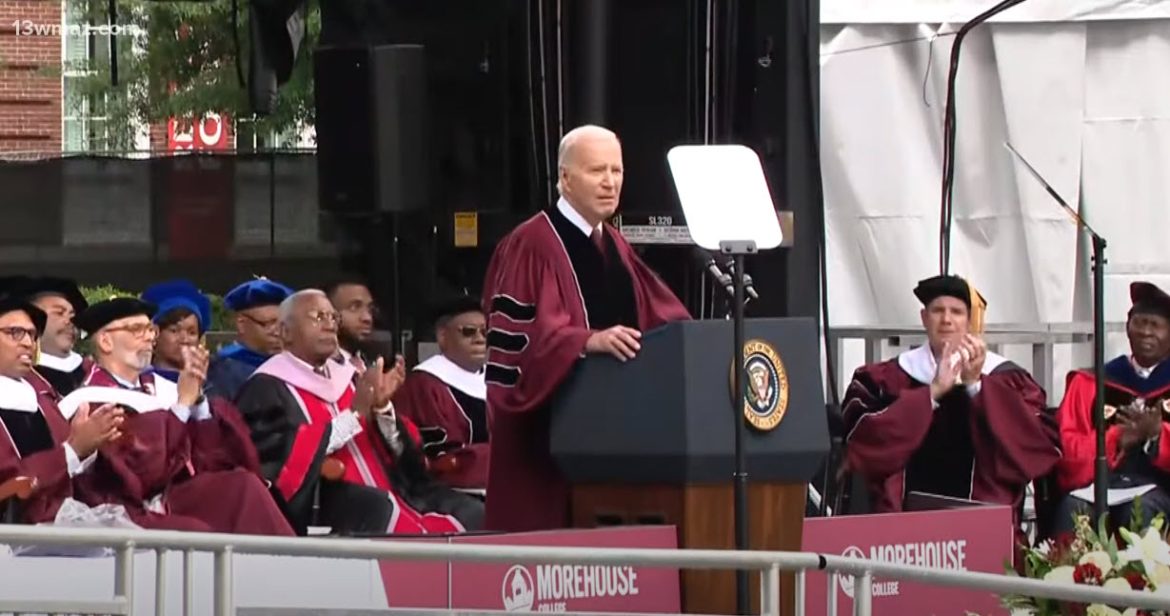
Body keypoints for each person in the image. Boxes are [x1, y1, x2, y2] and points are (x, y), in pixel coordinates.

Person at [480, 124, 691, 531]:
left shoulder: (616, 244)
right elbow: (515, 352)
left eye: (617, 170)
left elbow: (662, 317)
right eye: (597, 171)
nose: (610, 182)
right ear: (564, 178)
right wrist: (584, 341)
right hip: (546, 442)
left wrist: (699, 346)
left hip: (613, 436)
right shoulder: (532, 244)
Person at [235, 290, 483, 535]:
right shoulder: (265, 387)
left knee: (472, 511)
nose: (329, 325)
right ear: (285, 332)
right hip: (326, 501)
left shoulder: (351, 378)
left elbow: (404, 456)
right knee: (383, 508)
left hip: (391, 489)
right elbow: (275, 460)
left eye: (332, 317)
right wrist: (353, 416)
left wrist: (382, 408)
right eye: (317, 317)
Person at [63, 297, 294, 535]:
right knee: (220, 511)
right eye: (136, 330)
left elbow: (213, 461)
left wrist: (198, 402)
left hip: (174, 495)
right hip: (126, 510)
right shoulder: (91, 401)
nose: (149, 337)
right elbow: (139, 473)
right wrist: (182, 404)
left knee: (242, 484)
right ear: (105, 341)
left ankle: (286, 563)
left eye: (151, 329)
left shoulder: (163, 388)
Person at [842, 275, 1060, 526]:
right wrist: (932, 392)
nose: (946, 319)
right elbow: (862, 444)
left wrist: (976, 387)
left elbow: (1036, 451)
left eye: (956, 312)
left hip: (983, 532)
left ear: (970, 321)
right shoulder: (885, 379)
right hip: (901, 535)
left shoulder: (1008, 379)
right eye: (937, 310)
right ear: (924, 318)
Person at [1054, 281, 1170, 531]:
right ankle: (1071, 572)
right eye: (1140, 323)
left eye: (1156, 325)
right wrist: (1116, 439)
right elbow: (1068, 450)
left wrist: (1157, 435)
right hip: (1101, 485)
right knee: (1072, 508)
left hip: (1161, 490)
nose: (1146, 332)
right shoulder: (1090, 383)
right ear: (1128, 328)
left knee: (1139, 509)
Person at [0, 295, 124, 523]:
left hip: (58, 522)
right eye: (16, 332)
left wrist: (92, 443)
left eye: (32, 334)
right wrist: (74, 449)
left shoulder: (42, 398)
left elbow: (71, 463)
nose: (28, 343)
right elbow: (9, 484)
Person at [393, 295, 489, 491]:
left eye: (485, 332)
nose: (479, 339)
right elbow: (443, 458)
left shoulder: (499, 380)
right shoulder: (425, 385)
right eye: (469, 332)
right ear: (443, 336)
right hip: (452, 491)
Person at [206, 277, 293, 400]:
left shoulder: (292, 365)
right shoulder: (224, 370)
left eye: (282, 324)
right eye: (269, 323)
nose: (278, 332)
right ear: (241, 324)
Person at [19, 276, 90, 395]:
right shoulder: (16, 376)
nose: (70, 321)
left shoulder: (92, 371)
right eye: (59, 313)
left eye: (73, 315)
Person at [141, 280, 212, 383]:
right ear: (155, 334)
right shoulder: (140, 383)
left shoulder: (212, 384)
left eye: (192, 332)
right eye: (174, 331)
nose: (184, 339)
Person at [323, 275, 379, 371]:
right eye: (354, 307)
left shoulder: (370, 364)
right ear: (330, 314)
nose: (368, 318)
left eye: (370, 309)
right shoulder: (320, 371)